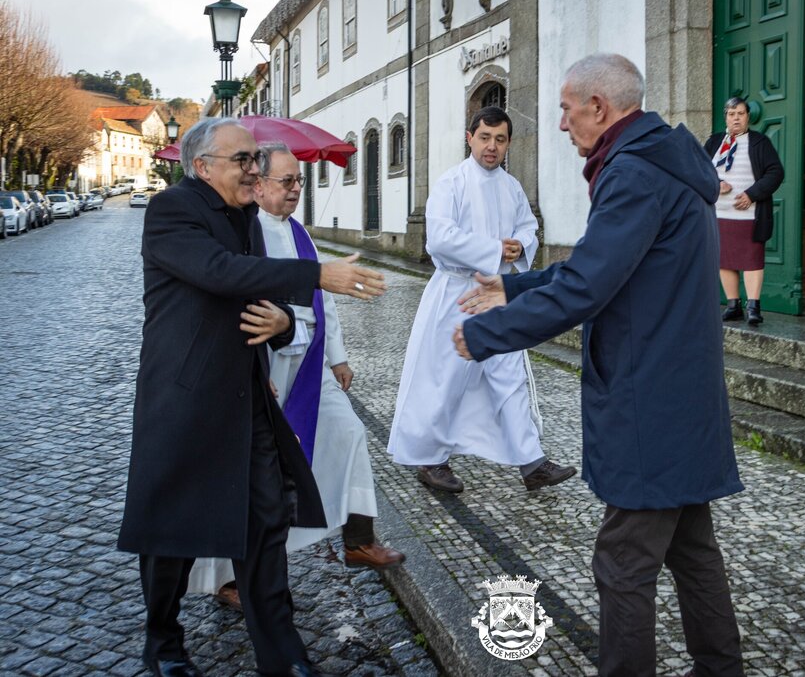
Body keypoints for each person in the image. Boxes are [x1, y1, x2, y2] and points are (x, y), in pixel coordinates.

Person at [454, 54, 745, 677]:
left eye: (565, 109)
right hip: (680, 389)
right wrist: (518, 287)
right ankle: (721, 668)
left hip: (651, 396)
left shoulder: (634, 173)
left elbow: (588, 287)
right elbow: (600, 264)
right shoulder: (658, 163)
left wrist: (488, 334)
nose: (560, 124)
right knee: (692, 548)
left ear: (598, 107)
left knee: (622, 562)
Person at [117, 117, 385, 677]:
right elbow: (220, 273)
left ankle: (283, 658)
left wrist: (284, 324)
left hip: (247, 395)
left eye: (254, 160)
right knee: (173, 533)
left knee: (264, 523)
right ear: (202, 166)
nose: (253, 170)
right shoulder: (173, 212)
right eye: (242, 160)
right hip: (185, 397)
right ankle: (163, 643)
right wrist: (316, 276)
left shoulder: (246, 219)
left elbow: (256, 295)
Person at [188, 143, 404, 608]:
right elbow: (234, 299)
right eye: (286, 182)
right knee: (248, 472)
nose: (295, 190)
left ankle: (358, 538)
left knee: (348, 434)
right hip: (263, 365)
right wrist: (255, 364)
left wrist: (339, 356)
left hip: (308, 362)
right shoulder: (244, 235)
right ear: (259, 185)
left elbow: (323, 297)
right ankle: (229, 578)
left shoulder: (301, 234)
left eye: (299, 182)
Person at [387, 106, 576, 493]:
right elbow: (438, 238)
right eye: (485, 137)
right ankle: (431, 458)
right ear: (470, 137)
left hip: (497, 295)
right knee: (446, 379)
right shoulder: (451, 183)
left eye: (501, 139)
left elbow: (528, 228)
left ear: (508, 144)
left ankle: (532, 461)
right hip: (456, 294)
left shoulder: (512, 186)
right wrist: (493, 248)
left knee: (510, 376)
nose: (492, 147)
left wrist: (519, 245)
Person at [703, 97, 784, 326]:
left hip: (750, 214)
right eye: (731, 114)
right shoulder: (715, 142)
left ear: (748, 116)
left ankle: (753, 306)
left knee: (751, 259)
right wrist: (716, 182)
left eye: (740, 113)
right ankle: (733, 304)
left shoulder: (760, 142)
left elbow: (775, 172)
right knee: (725, 259)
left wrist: (751, 194)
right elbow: (699, 168)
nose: (736, 118)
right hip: (719, 213)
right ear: (725, 117)